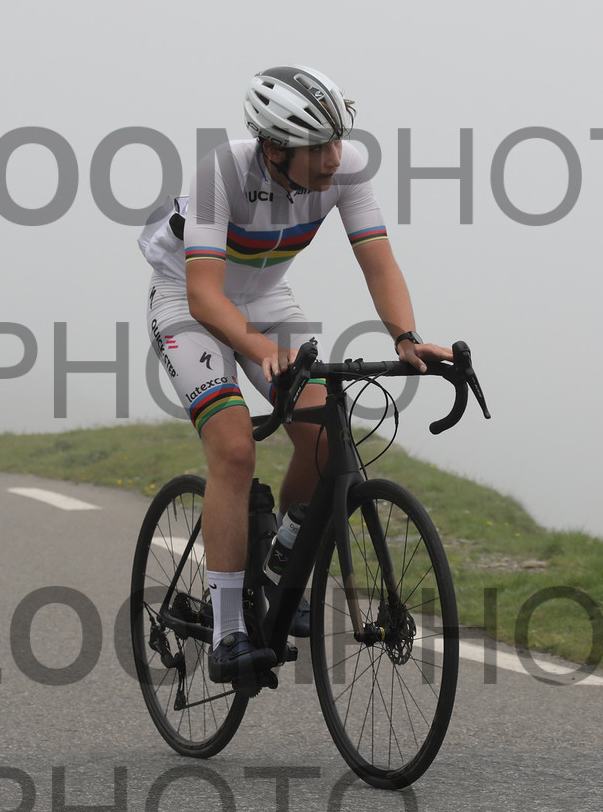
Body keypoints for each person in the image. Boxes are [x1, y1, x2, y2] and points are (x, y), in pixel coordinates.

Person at [138, 66, 450, 682]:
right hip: (188, 301)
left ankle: (283, 559)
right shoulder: (220, 172)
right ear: (276, 148)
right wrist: (257, 348)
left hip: (266, 299)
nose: (335, 158)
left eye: (338, 141)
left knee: (327, 434)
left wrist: (406, 337)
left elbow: (378, 262)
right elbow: (204, 295)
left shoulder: (347, 168)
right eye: (318, 148)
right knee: (234, 449)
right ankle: (228, 630)